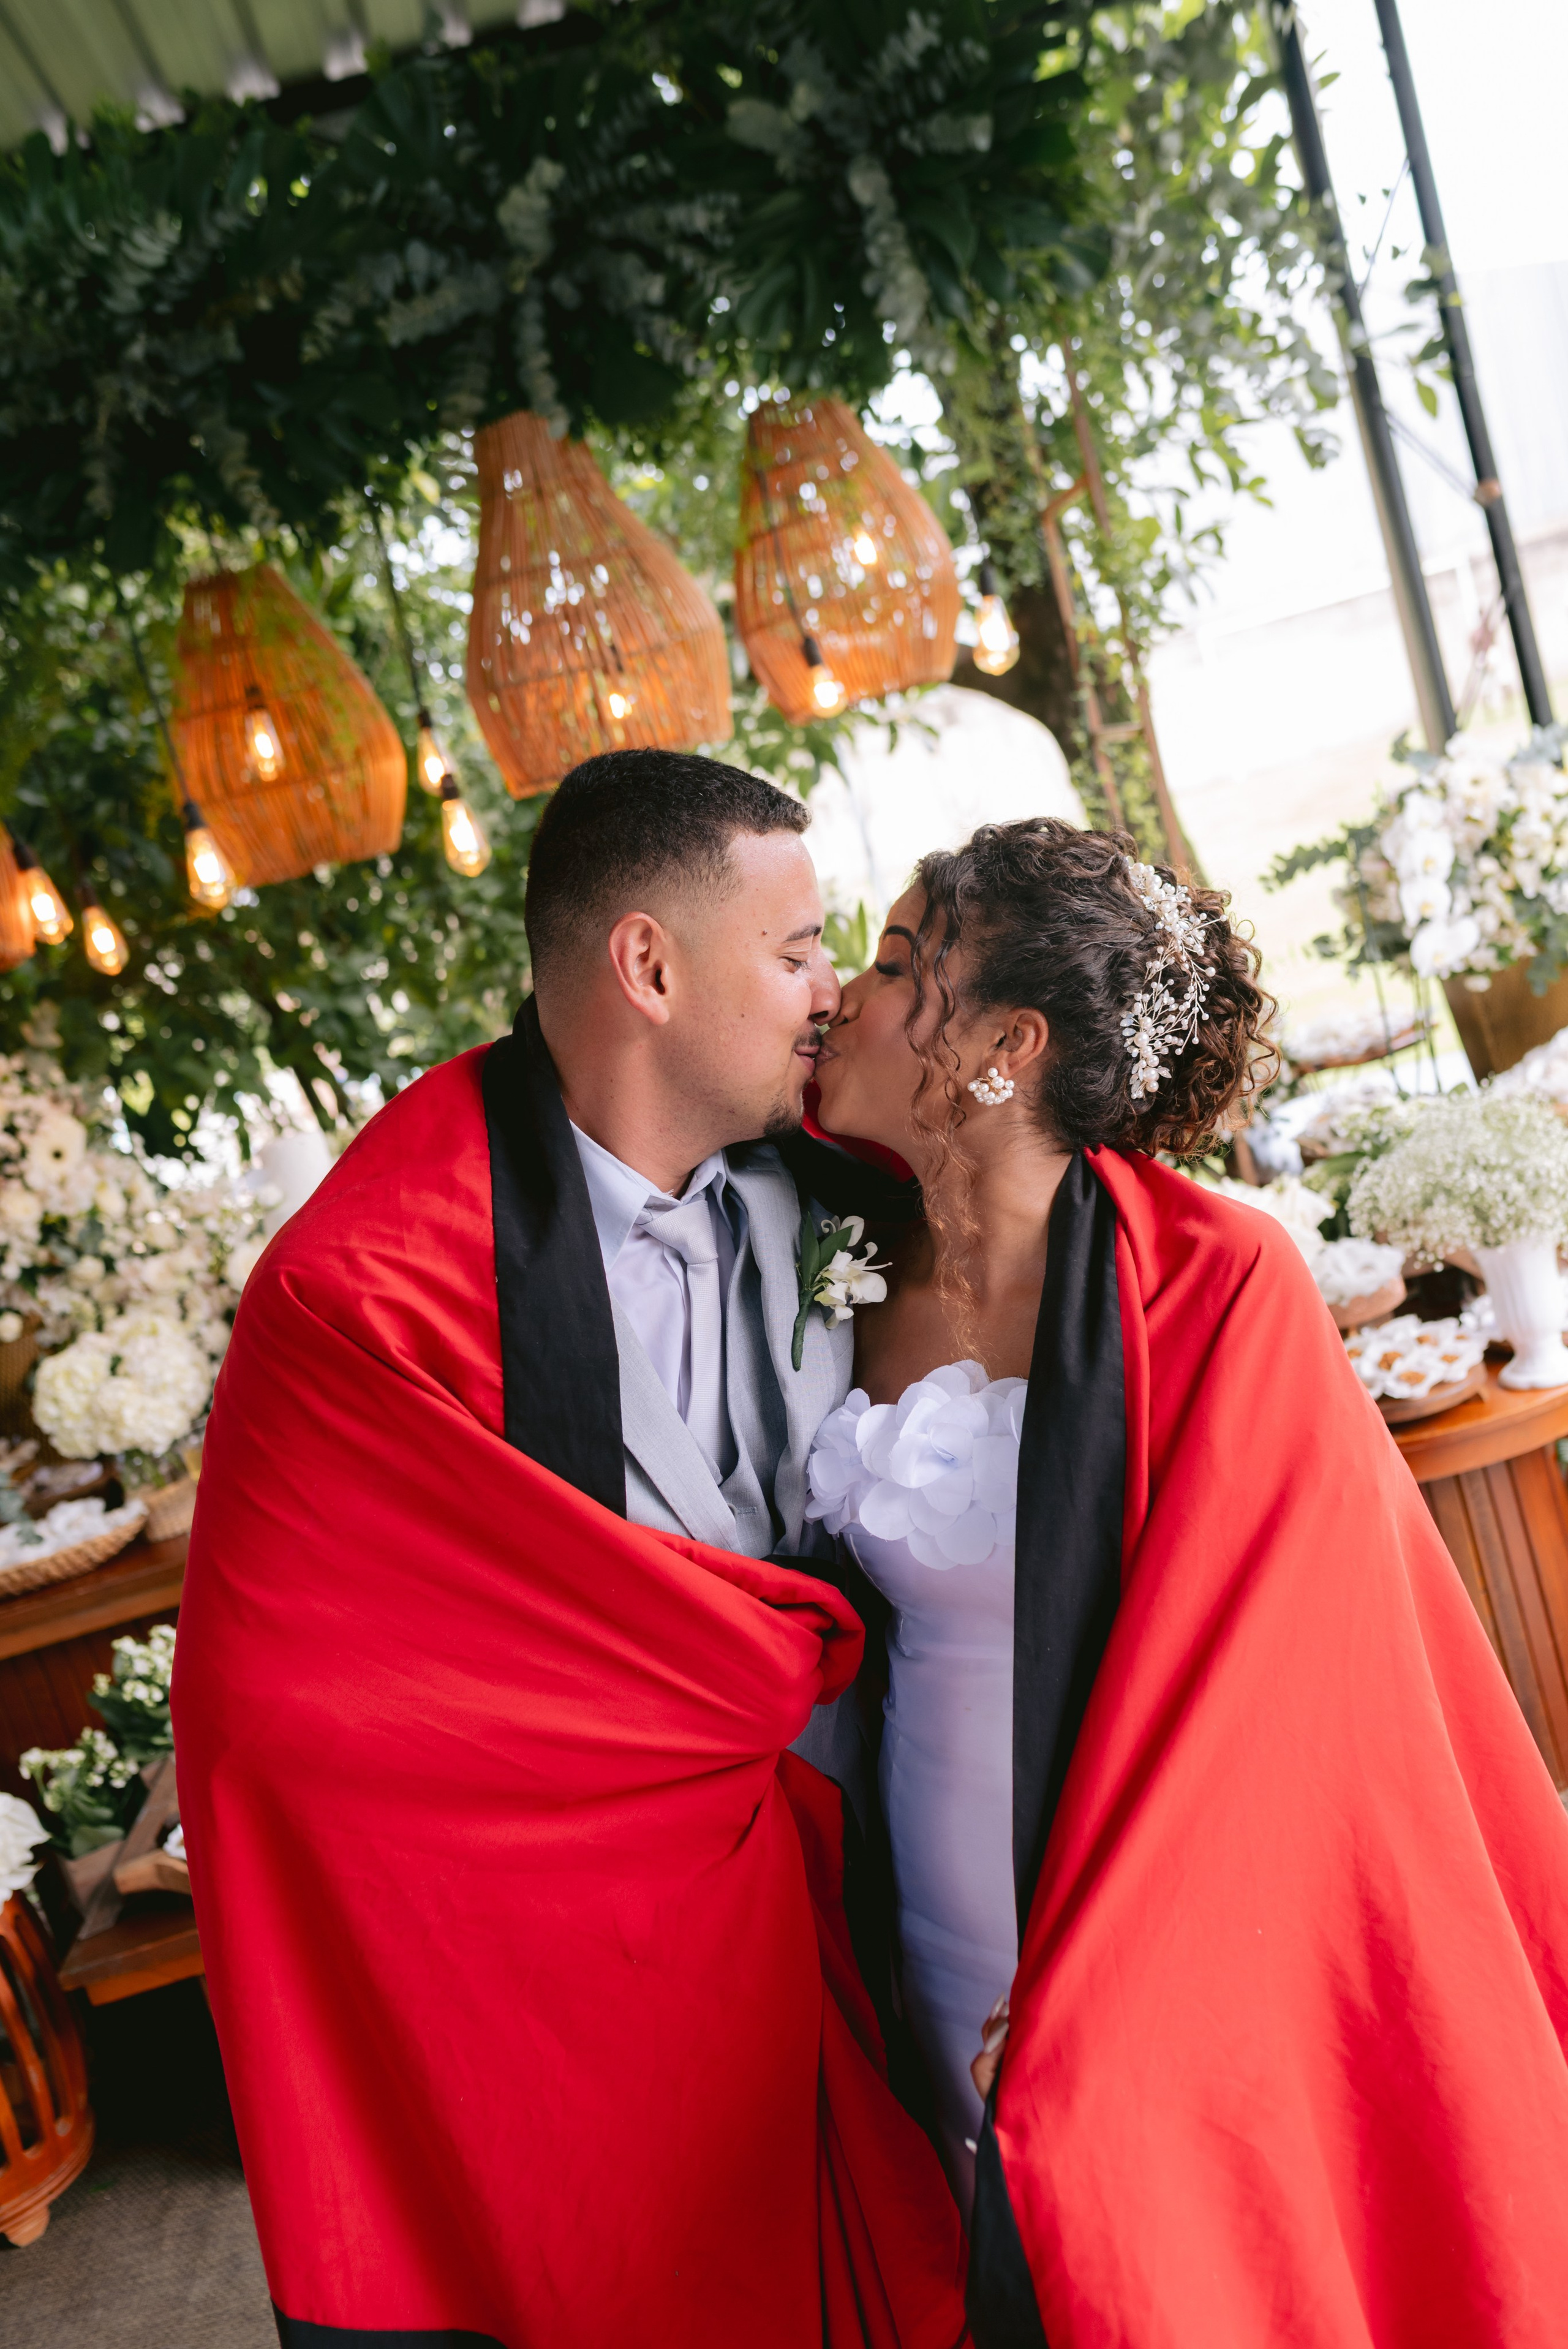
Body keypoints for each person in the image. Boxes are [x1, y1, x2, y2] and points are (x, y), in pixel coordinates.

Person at [171, 750, 965, 2349]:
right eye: (798, 945)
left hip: (899, 1832)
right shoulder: (375, 1280)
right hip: (611, 1912)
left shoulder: (849, 1170)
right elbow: (276, 1704)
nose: (831, 989)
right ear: (650, 968)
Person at [807, 816, 1568, 2349]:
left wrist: (1101, 1991)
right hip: (922, 1915)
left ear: (1001, 1048)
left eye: (895, 965)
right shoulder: (840, 1254)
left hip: (1156, 1922)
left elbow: (1284, 1688)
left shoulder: (1214, 1280)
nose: (837, 991)